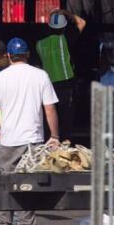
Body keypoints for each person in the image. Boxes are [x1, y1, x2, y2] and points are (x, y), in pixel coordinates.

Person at [0, 37, 59, 225]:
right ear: (28, 55)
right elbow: (49, 108)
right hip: (33, 141)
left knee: (4, 183)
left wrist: (1, 132)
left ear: (9, 56)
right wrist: (55, 136)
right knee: (28, 184)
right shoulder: (40, 75)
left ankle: (4, 221)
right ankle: (25, 222)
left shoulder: (0, 78)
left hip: (8, 141)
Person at [36, 9, 85, 137]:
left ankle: (51, 140)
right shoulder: (66, 39)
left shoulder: (40, 44)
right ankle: (65, 143)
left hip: (47, 85)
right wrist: (66, 13)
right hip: (66, 84)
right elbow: (82, 22)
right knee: (66, 118)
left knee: (50, 115)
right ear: (64, 28)